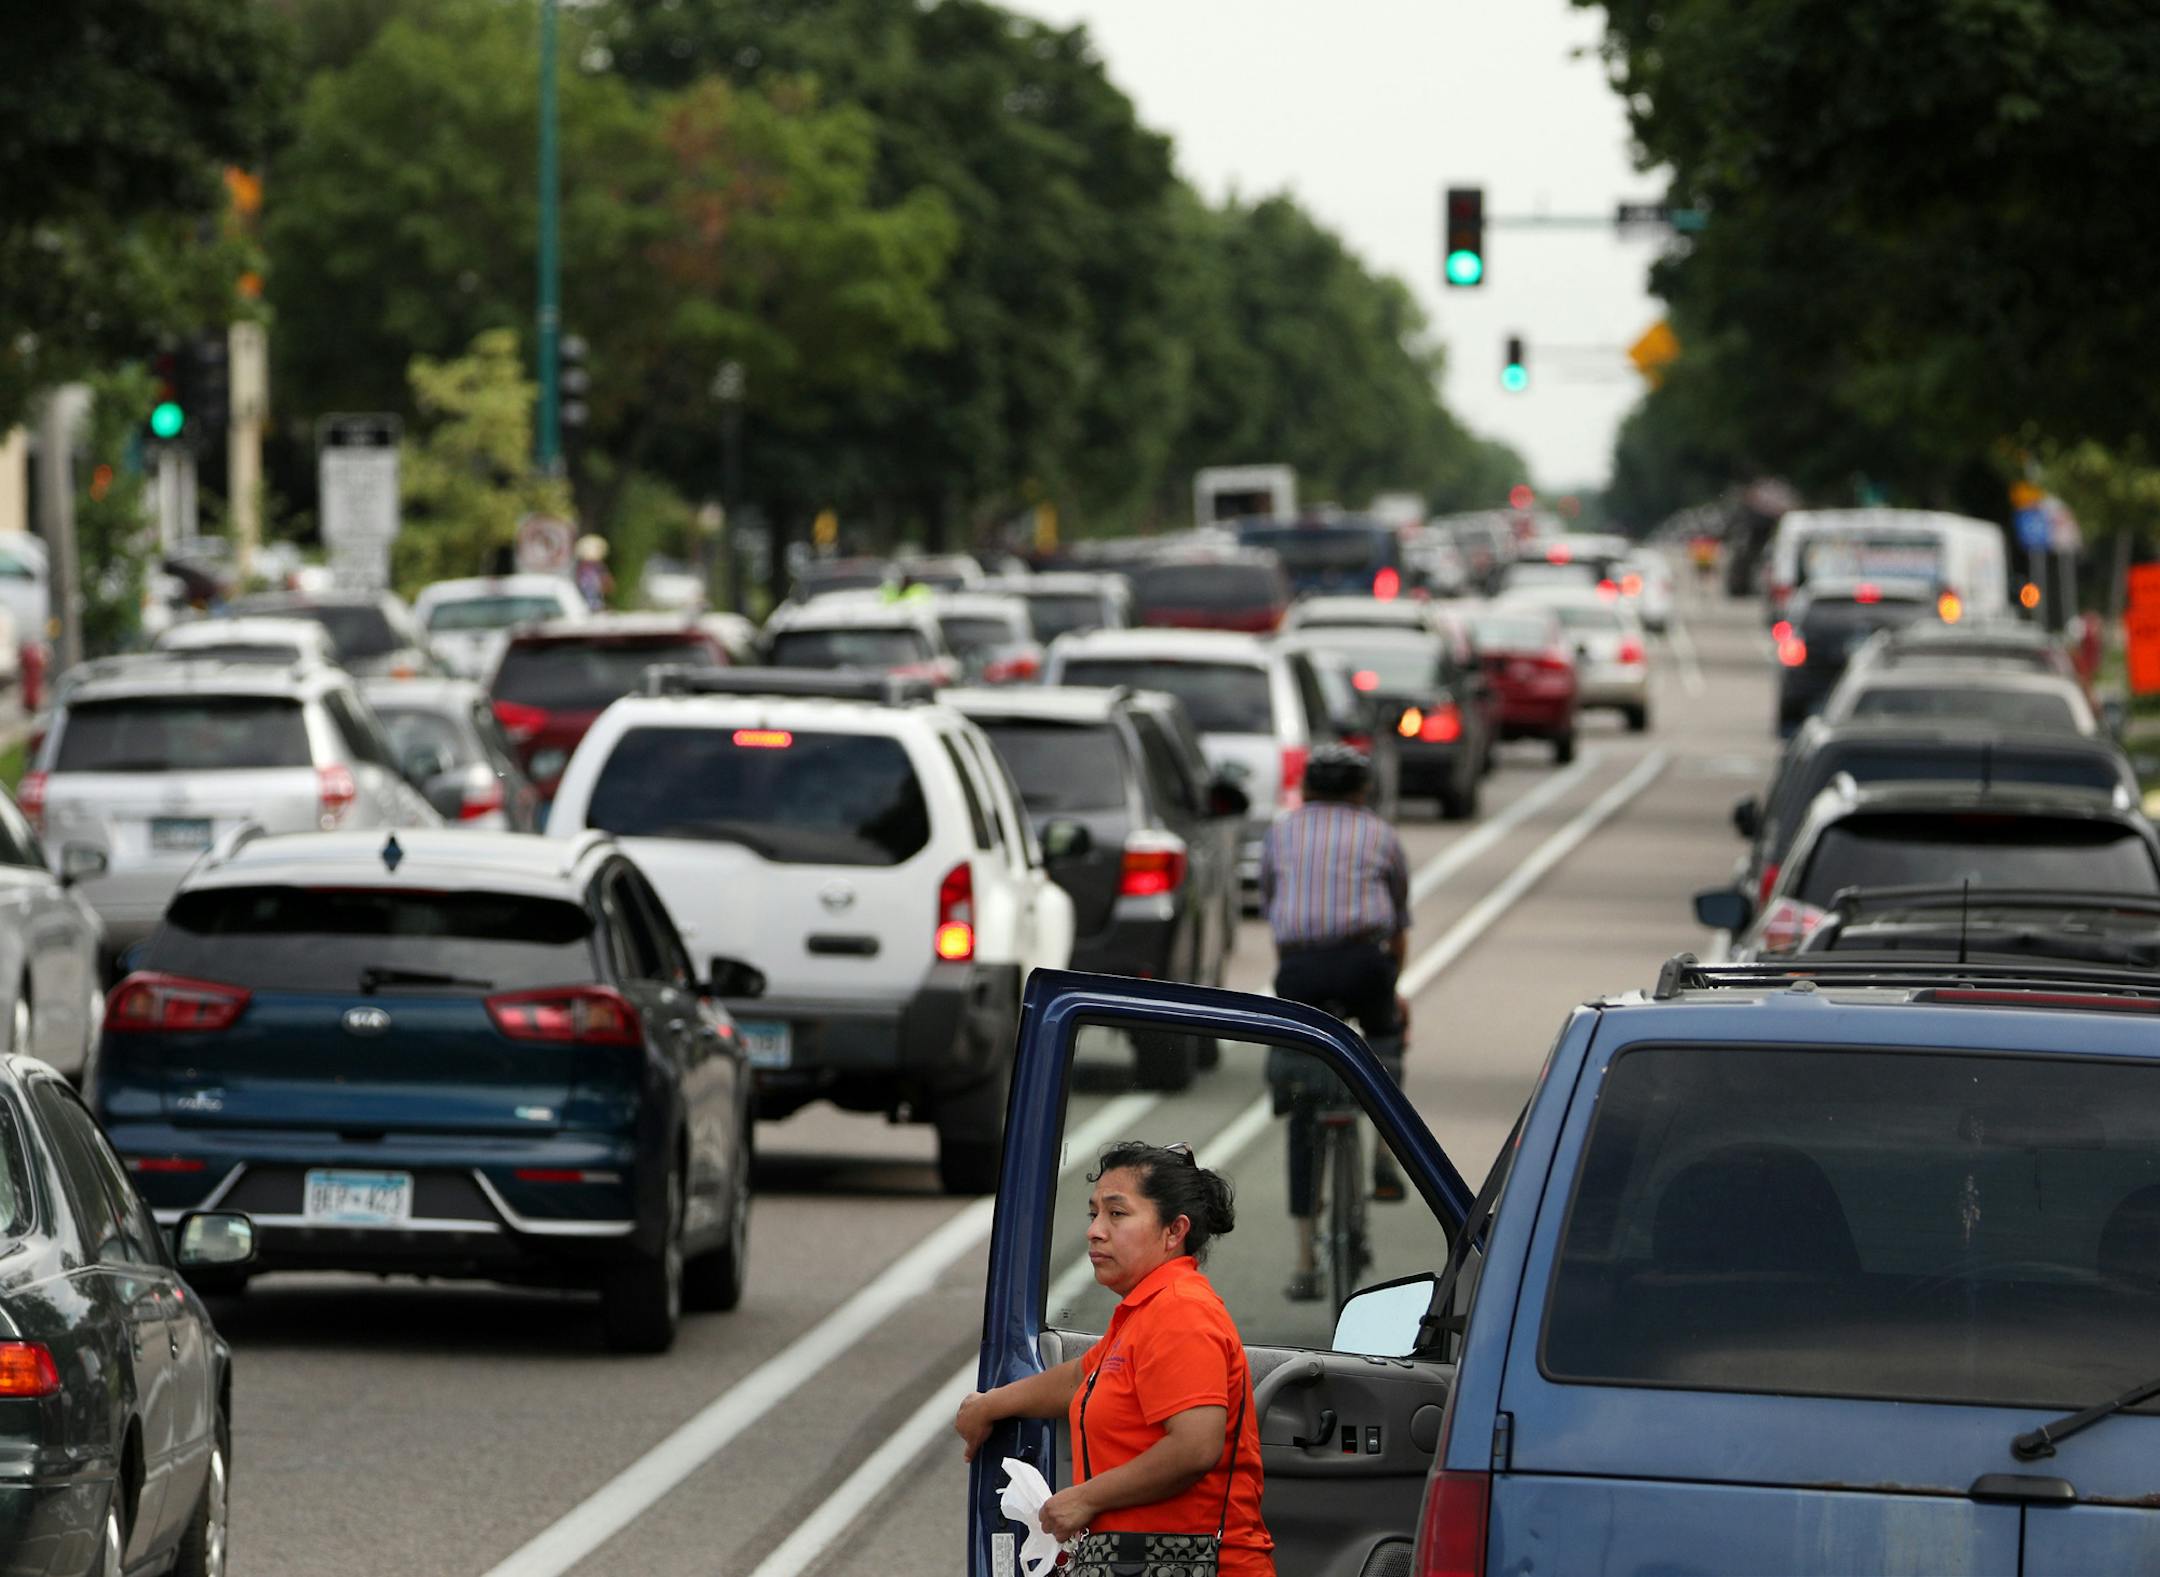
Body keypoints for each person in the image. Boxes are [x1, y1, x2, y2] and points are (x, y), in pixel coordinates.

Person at [955, 1143, 1273, 1576]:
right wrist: (989, 1404)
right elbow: (1080, 1379)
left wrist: (1086, 1497)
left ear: (1174, 1231)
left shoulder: (1182, 1312)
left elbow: (1195, 1447)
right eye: (1094, 1214)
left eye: (1117, 1214)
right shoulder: (1146, 1310)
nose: (1095, 1230)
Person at [1258, 742, 1412, 1302]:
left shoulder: (1282, 832)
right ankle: (1384, 1156)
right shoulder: (1381, 834)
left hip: (1300, 970)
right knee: (1387, 1035)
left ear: (1308, 790)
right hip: (1365, 963)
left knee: (1304, 1103)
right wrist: (1393, 987)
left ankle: (1304, 1260)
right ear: (1361, 791)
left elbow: (1273, 905)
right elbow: (1397, 923)